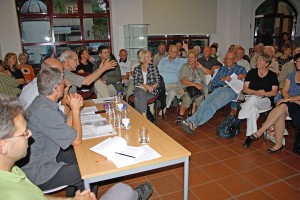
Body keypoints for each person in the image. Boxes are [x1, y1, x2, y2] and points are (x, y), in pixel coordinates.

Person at [0, 94, 154, 200]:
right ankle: (136, 196)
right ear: (3, 146)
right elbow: (75, 139)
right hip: (43, 170)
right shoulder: (11, 193)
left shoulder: (12, 170)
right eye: (24, 133)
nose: (30, 134)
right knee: (123, 190)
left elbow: (37, 196)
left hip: (47, 165)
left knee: (87, 162)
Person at [181, 51, 247, 133]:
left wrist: (241, 77)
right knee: (205, 102)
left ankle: (193, 123)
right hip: (219, 89)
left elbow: (246, 80)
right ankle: (191, 122)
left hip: (231, 90)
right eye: (226, 58)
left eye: (230, 59)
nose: (227, 60)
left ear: (235, 60)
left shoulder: (241, 69)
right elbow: (214, 83)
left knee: (213, 105)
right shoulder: (222, 69)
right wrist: (223, 80)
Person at [238, 54, 279, 148]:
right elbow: (245, 90)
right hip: (251, 98)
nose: (258, 62)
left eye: (261, 60)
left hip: (265, 100)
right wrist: (256, 92)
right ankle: (250, 137)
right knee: (252, 109)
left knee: (252, 100)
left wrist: (263, 93)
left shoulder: (272, 75)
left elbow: (274, 93)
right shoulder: (251, 72)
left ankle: (238, 120)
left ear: (267, 63)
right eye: (258, 60)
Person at [175, 50, 208, 125]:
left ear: (196, 58)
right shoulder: (185, 67)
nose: (189, 59)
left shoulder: (198, 67)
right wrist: (195, 85)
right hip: (183, 89)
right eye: (188, 57)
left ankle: (196, 116)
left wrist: (201, 67)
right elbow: (183, 81)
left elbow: (209, 73)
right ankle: (180, 116)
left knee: (200, 97)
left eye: (192, 57)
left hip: (197, 89)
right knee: (188, 97)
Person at [157, 45, 186, 113]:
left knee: (173, 92)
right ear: (169, 51)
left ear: (178, 53)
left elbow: (192, 59)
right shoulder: (163, 60)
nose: (173, 53)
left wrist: (186, 50)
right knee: (153, 90)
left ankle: (164, 108)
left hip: (175, 84)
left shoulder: (181, 61)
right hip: (163, 83)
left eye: (175, 52)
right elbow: (157, 71)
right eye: (171, 51)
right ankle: (151, 108)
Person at [133, 49, 160, 117]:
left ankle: (140, 117)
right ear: (143, 58)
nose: (151, 58)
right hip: (140, 90)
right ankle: (144, 117)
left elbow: (157, 82)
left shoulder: (154, 68)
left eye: (150, 56)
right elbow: (136, 82)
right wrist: (146, 86)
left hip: (151, 91)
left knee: (137, 99)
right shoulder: (137, 69)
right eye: (148, 57)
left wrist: (148, 88)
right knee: (141, 92)